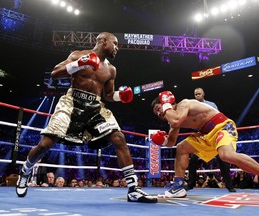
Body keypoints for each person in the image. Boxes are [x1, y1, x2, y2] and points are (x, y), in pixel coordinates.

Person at [16, 32, 157, 203]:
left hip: (95, 107)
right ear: (103, 41)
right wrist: (79, 64)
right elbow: (55, 73)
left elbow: (108, 95)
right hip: (72, 102)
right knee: (46, 144)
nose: (117, 48)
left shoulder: (111, 69)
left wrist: (122, 96)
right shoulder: (78, 55)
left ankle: (133, 189)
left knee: (119, 138)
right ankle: (25, 171)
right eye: (115, 43)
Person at [151, 90, 259, 198]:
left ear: (166, 103)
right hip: (206, 134)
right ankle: (178, 187)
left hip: (222, 127)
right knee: (181, 148)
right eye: (156, 113)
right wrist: (163, 140)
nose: (158, 114)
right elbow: (171, 142)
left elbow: (176, 120)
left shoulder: (184, 104)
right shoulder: (173, 121)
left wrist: (166, 104)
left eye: (158, 109)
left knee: (226, 155)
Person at [186, 88, 236, 192]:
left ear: (203, 94)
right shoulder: (191, 107)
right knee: (193, 159)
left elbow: (218, 119)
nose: (197, 96)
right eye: (195, 94)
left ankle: (229, 186)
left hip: (215, 135)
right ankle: (190, 184)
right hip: (203, 137)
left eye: (199, 94)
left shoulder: (211, 105)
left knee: (223, 159)